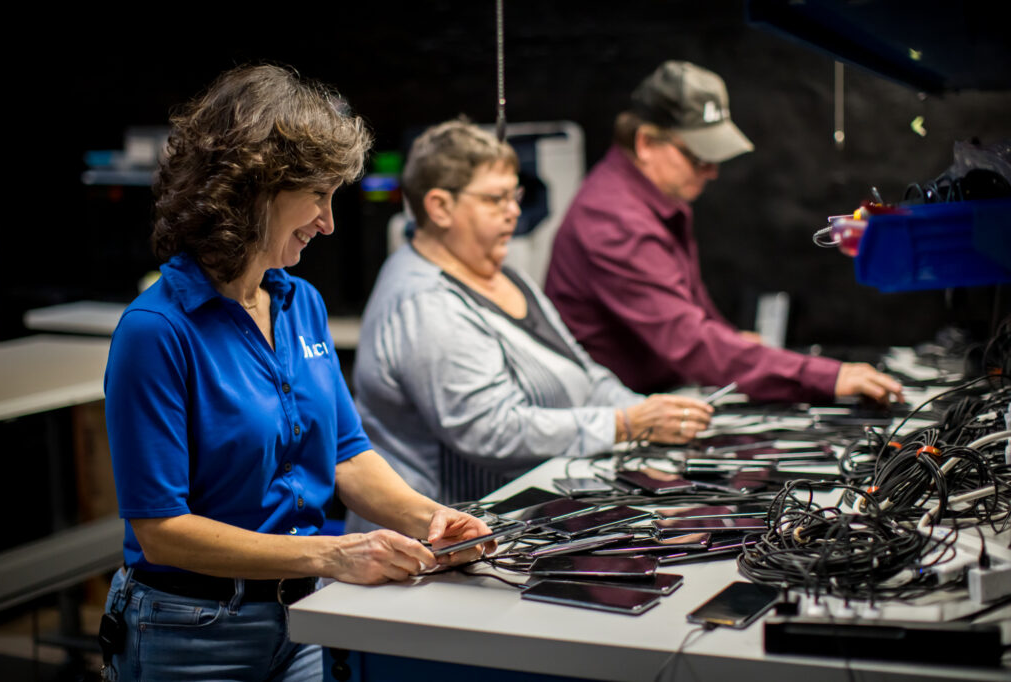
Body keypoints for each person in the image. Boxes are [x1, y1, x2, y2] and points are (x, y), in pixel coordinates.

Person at [101, 66, 492, 682]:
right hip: (192, 631)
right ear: (254, 189)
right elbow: (162, 532)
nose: (329, 222)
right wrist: (334, 554)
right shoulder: (156, 331)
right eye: (318, 196)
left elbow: (344, 455)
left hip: (302, 617)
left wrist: (430, 518)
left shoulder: (299, 303)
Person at [349, 119, 713, 524]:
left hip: (516, 519)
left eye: (515, 195)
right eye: (495, 199)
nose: (514, 212)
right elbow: (490, 430)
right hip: (437, 540)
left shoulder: (503, 273)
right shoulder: (426, 302)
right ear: (440, 207)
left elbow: (584, 371)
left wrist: (648, 414)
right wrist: (622, 424)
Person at [544, 60, 903, 404]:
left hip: (656, 397)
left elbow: (693, 315)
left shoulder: (656, 198)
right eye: (699, 157)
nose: (712, 171)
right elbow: (691, 344)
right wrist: (823, 376)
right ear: (645, 144)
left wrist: (734, 344)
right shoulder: (614, 220)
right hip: (612, 416)